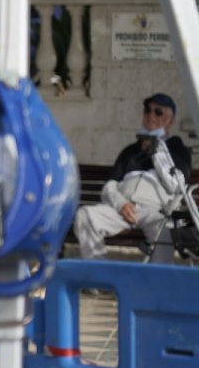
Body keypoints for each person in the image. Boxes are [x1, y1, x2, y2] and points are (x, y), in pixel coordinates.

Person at [73, 93, 192, 261]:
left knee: (165, 230)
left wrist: (157, 151)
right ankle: (100, 280)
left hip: (155, 211)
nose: (151, 115)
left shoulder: (178, 149)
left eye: (158, 112)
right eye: (147, 110)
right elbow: (110, 186)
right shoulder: (130, 151)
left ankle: (157, 285)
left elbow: (176, 186)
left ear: (170, 121)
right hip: (123, 209)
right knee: (85, 215)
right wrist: (121, 203)